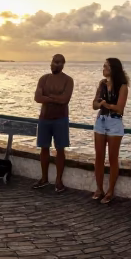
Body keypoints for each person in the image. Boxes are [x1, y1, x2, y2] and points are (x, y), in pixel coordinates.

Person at [34, 54, 74, 192]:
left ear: (63, 64)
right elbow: (37, 98)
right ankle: (44, 178)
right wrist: (55, 98)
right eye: (53, 62)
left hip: (60, 119)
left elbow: (65, 99)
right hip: (44, 118)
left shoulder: (68, 80)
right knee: (44, 148)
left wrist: (47, 97)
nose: (54, 65)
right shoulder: (44, 79)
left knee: (60, 149)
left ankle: (58, 181)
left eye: (58, 62)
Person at [91, 58, 130, 205]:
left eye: (106, 66)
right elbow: (94, 104)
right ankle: (99, 189)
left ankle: (110, 191)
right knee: (99, 157)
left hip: (114, 122)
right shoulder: (102, 84)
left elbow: (120, 108)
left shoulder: (122, 86)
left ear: (113, 69)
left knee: (113, 158)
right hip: (101, 121)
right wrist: (102, 104)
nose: (103, 68)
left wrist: (104, 104)